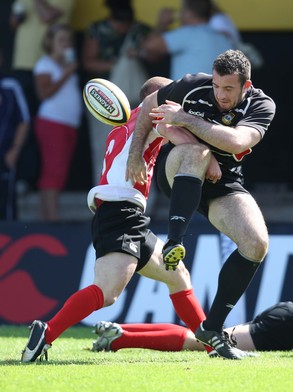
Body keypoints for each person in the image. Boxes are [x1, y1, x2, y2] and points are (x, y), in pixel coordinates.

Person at [21, 76, 235, 362]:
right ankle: (45, 333)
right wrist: (209, 159)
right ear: (156, 98)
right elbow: (178, 136)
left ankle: (212, 346)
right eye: (170, 95)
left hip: (125, 214)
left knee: (179, 277)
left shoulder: (124, 125)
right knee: (107, 293)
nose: (177, 101)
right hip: (120, 212)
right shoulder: (155, 114)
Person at [126, 49, 276, 359]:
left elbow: (237, 142)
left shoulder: (262, 104)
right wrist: (135, 154)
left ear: (245, 87)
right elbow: (146, 106)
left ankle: (213, 330)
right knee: (198, 154)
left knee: (257, 244)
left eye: (229, 89)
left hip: (223, 184)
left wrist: (184, 118)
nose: (220, 94)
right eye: (217, 86)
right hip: (178, 170)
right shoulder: (192, 85)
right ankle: (175, 242)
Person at [82, 0, 151, 183]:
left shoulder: (140, 30)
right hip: (103, 100)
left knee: (138, 148)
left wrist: (139, 53)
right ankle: (102, 193)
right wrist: (117, 65)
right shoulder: (96, 29)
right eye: (118, 22)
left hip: (136, 99)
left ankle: (136, 192)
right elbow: (88, 61)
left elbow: (156, 53)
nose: (121, 27)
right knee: (103, 147)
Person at [9, 0, 76, 187]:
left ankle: (30, 178)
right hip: (22, 66)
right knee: (22, 122)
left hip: (46, 64)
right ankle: (21, 177)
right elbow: (14, 23)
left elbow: (47, 16)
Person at [91, 301, 293, 353]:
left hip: (286, 312)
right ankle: (119, 339)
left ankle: (119, 330)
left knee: (200, 337)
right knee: (202, 341)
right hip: (285, 325)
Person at [33, 23, 82, 221]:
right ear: (50, 43)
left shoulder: (65, 64)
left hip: (68, 124)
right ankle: (51, 219)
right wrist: (67, 73)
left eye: (68, 40)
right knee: (52, 170)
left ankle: (50, 217)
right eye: (61, 40)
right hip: (53, 122)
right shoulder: (45, 64)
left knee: (59, 171)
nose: (66, 44)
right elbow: (43, 93)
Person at [138, 0, 234, 80]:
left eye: (182, 11)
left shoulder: (187, 33)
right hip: (215, 96)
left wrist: (162, 23)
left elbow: (148, 45)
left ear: (189, 13)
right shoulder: (223, 37)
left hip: (187, 98)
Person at [0, 49, 30, 220]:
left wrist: (15, 150)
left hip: (5, 155)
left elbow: (24, 120)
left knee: (7, 206)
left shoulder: (11, 86)